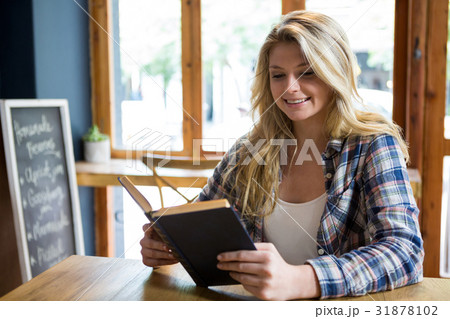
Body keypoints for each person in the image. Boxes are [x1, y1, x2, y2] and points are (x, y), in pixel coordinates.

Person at [140, 10, 424, 300]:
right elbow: (202, 222)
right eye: (278, 75)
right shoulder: (249, 150)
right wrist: (170, 245)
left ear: (335, 72)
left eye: (307, 72)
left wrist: (302, 280)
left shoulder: (373, 145)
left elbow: (404, 251)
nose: (290, 87)